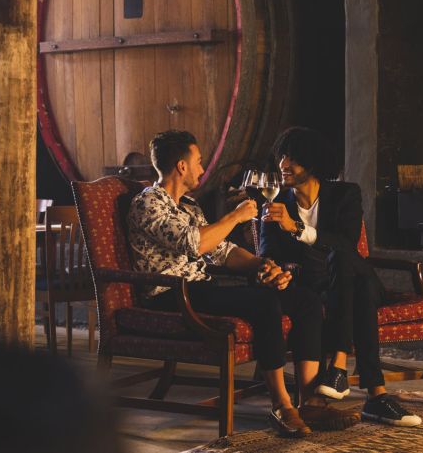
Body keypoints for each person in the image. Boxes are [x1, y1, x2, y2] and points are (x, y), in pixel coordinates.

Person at [127, 130, 358, 437]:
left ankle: (311, 401)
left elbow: (222, 251)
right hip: (171, 293)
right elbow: (194, 243)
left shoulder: (189, 206)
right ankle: (281, 406)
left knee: (305, 300)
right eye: (197, 162)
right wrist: (236, 217)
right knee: (265, 303)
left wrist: (264, 266)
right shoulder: (148, 204)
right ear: (181, 167)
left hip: (202, 288)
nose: (201, 168)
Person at [260, 126, 422, 427]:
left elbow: (346, 244)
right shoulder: (276, 204)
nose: (284, 165)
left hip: (346, 278)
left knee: (343, 256)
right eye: (281, 156)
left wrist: (297, 230)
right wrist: (277, 266)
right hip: (319, 287)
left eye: (293, 157)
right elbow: (268, 253)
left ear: (313, 162)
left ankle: (337, 362)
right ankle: (375, 395)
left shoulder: (345, 194)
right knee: (356, 283)